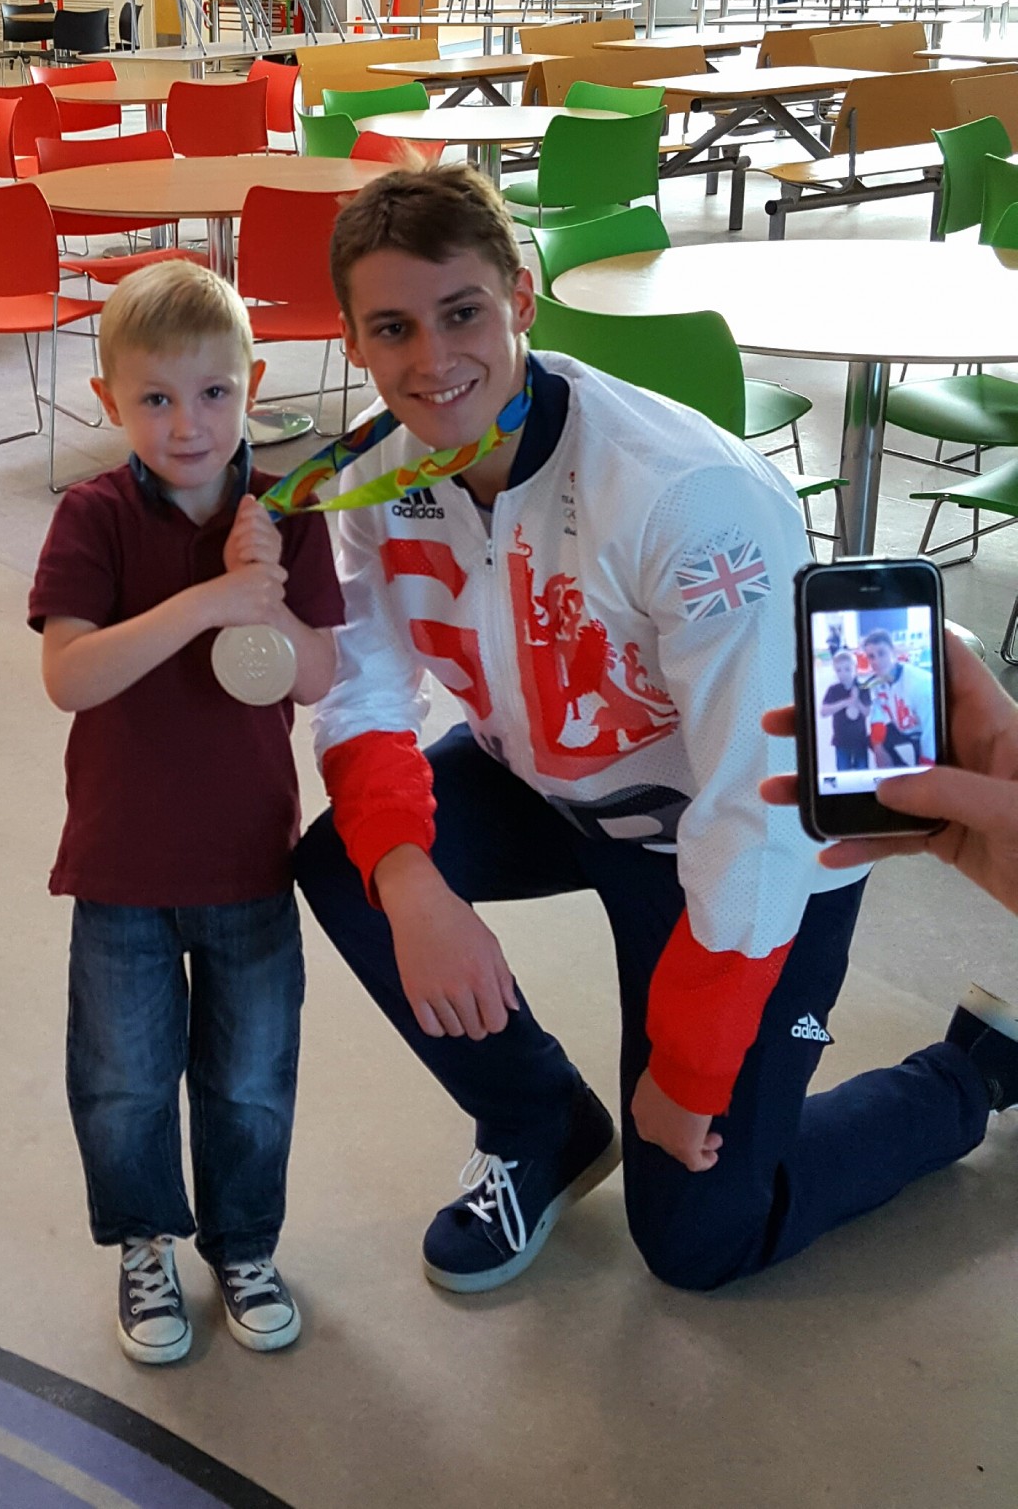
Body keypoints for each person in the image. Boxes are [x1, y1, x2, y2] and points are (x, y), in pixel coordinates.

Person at [294, 163, 982, 1299]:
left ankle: (969, 1074)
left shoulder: (683, 494)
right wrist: (410, 882)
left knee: (701, 1236)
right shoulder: (372, 473)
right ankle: (542, 1125)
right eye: (393, 328)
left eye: (462, 313)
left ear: (520, 297)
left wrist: (692, 1067)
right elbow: (364, 693)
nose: (432, 359)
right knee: (350, 862)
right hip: (557, 784)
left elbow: (760, 810)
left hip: (748, 843)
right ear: (353, 338)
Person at [28, 261, 343, 1361]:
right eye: (155, 398)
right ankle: (144, 1242)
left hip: (251, 859)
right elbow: (71, 676)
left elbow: (316, 675)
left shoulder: (290, 516)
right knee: (121, 1082)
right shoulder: (94, 517)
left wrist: (268, 593)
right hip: (119, 866)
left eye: (213, 393)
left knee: (250, 1081)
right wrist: (210, 598)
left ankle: (244, 1244)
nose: (187, 424)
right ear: (108, 400)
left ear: (251, 385)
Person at [761, 630, 1018, 1108]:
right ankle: (969, 1080)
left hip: (828, 833)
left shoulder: (902, 685)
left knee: (748, 1120)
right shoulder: (852, 688)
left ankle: (972, 1080)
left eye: (877, 654)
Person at [862, 628, 936, 769]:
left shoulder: (919, 683)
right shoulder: (877, 682)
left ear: (893, 652)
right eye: (871, 656)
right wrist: (877, 746)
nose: (876, 661)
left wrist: (927, 763)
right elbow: (878, 712)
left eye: (881, 653)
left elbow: (931, 728)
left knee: (924, 769)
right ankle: (897, 771)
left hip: (921, 732)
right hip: (902, 728)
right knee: (871, 739)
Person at [819, 648, 871, 770]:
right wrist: (845, 702)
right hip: (841, 741)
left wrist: (856, 701)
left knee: (862, 772)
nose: (843, 674)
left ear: (855, 669)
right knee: (843, 772)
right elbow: (823, 712)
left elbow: (866, 712)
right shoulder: (833, 690)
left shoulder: (863, 688)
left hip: (860, 740)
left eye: (847, 669)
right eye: (839, 670)